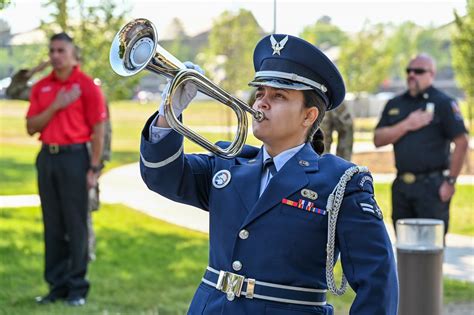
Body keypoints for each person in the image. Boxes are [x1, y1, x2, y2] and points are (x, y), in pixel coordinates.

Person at [139, 34, 398, 314]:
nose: (261, 103)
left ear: (308, 116)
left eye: (278, 96)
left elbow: (378, 282)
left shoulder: (341, 183)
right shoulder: (228, 162)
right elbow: (162, 176)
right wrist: (170, 111)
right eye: (260, 92)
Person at [26, 32, 107, 306]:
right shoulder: (41, 88)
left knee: (76, 225)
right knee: (53, 225)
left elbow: (99, 131)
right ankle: (56, 287)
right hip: (47, 158)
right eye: (52, 50)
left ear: (73, 54)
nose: (55, 55)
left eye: (61, 50)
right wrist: (56, 105)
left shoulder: (86, 86)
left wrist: (94, 168)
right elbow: (31, 127)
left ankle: (77, 288)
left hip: (76, 160)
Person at [374, 54, 468, 235]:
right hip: (401, 187)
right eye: (409, 71)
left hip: (432, 188)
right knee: (404, 248)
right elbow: (378, 139)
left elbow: (461, 142)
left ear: (431, 74)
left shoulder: (444, 103)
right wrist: (407, 124)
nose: (411, 75)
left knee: (430, 251)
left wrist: (450, 182)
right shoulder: (395, 103)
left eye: (418, 71)